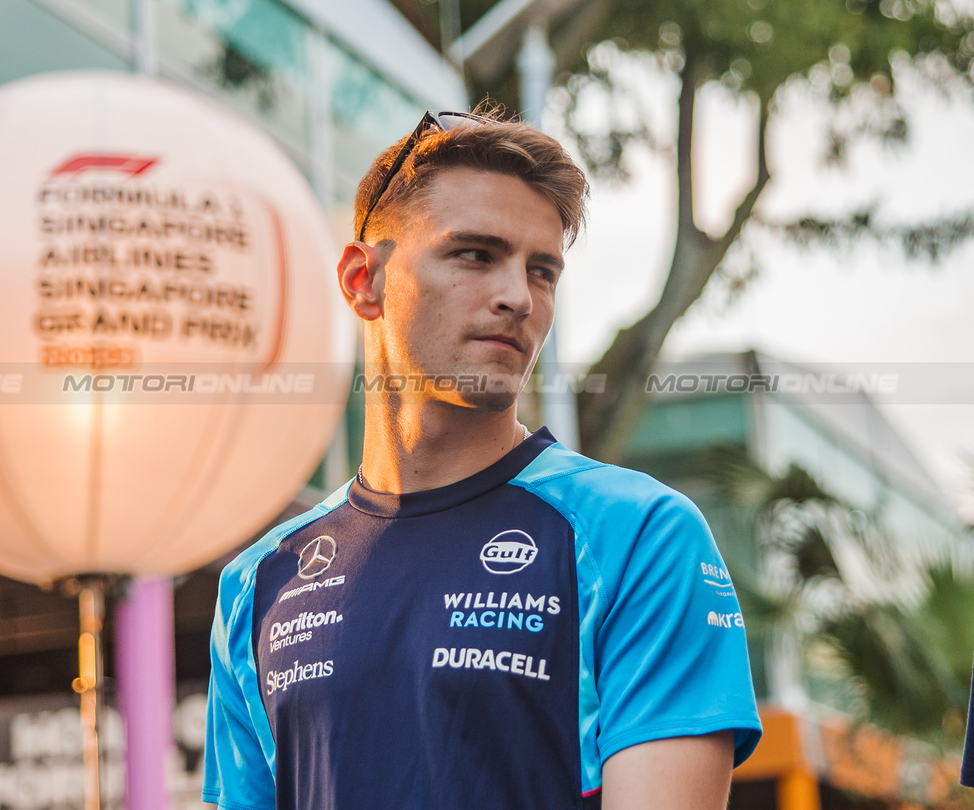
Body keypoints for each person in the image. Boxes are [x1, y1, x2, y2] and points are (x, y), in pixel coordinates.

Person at [202, 110, 762, 810]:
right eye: (474, 254)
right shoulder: (258, 582)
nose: (517, 297)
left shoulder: (639, 534)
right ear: (362, 279)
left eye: (542, 270)